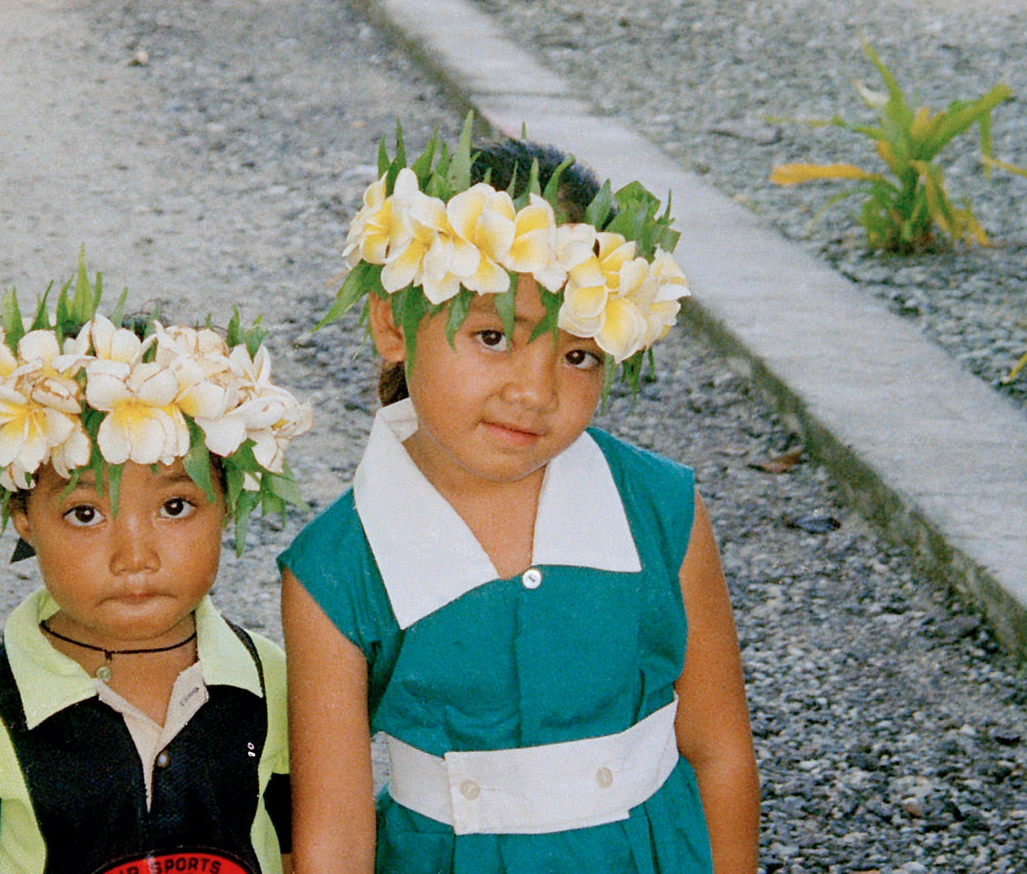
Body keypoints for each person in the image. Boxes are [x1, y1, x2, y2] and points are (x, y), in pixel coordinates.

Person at [279, 129, 759, 873]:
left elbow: (719, 749)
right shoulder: (336, 571)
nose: (535, 393)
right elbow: (335, 840)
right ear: (390, 323)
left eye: (577, 355)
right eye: (494, 335)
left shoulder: (662, 512)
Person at [0, 263, 311, 874]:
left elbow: (306, 849)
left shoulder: (274, 687)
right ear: (24, 518)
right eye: (86, 513)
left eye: (175, 506)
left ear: (227, 504)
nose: (134, 555)